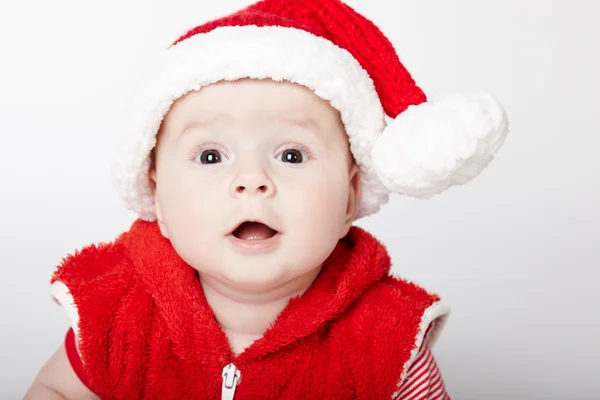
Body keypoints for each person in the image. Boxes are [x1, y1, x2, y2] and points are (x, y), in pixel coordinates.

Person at [25, 0, 508, 398]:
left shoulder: (388, 339)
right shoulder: (116, 313)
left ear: (349, 198)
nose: (252, 180)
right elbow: (56, 389)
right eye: (211, 156)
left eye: (292, 155)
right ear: (157, 199)